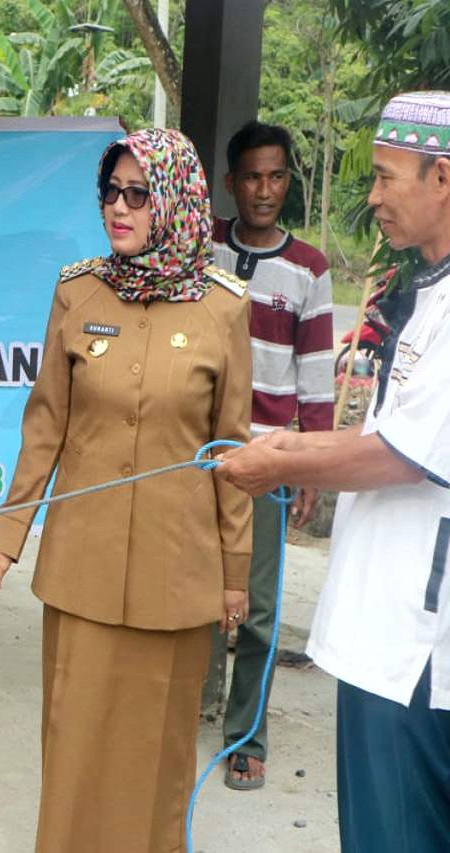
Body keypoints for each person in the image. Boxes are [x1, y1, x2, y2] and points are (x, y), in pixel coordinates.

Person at [0, 127, 253, 853]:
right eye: (110, 193)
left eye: (138, 194)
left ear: (175, 201)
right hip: (84, 572)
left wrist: (233, 578)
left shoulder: (223, 308)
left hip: (177, 576)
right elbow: (45, 428)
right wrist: (8, 537)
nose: (118, 209)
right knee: (75, 749)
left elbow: (233, 454)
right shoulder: (77, 292)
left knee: (157, 761)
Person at [218, 91, 450, 852]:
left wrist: (280, 454)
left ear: (441, 177)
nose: (374, 196)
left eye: (387, 177)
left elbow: (395, 453)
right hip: (379, 629)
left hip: (414, 650)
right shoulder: (418, 288)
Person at [213, 120, 334, 790]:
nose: (265, 189)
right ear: (231, 184)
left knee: (257, 605)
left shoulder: (309, 269)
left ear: (288, 180)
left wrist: (308, 460)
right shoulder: (202, 251)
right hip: (201, 453)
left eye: (277, 175)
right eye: (252, 177)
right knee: (196, 591)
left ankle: (247, 732)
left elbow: (315, 373)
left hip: (267, 459)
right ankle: (193, 705)